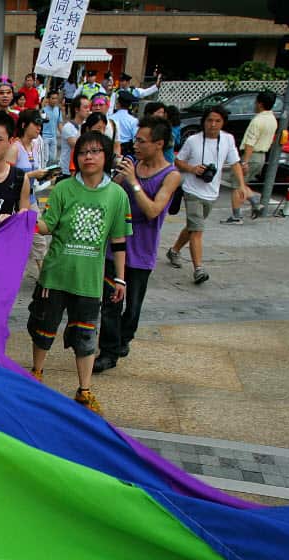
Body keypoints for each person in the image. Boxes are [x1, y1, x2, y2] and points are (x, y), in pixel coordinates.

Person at [27, 130, 130, 415]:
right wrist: (24, 221)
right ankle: (36, 375)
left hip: (89, 281)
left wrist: (120, 278)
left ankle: (84, 390)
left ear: (106, 156)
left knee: (86, 338)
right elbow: (47, 225)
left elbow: (119, 240)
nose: (88, 156)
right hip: (55, 275)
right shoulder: (63, 189)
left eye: (95, 151)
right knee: (42, 329)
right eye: (83, 152)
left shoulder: (117, 195)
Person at [94, 118, 181, 373]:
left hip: (142, 251)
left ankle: (124, 339)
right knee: (111, 303)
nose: (136, 145)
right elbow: (106, 195)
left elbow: (153, 210)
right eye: (136, 140)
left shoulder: (171, 175)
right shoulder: (131, 165)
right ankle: (108, 352)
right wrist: (118, 178)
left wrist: (133, 181)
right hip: (115, 247)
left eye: (142, 141)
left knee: (132, 308)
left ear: (159, 144)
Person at [166, 105, 246, 285]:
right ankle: (198, 269)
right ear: (204, 122)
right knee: (197, 230)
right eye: (210, 120)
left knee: (193, 227)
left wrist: (241, 185)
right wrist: (192, 169)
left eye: (218, 121)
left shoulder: (227, 140)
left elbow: (235, 163)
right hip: (192, 190)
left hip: (211, 192)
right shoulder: (193, 140)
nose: (213, 125)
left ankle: (174, 250)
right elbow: (178, 161)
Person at [223, 90, 277, 223]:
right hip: (261, 156)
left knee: (237, 185)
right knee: (242, 183)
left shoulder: (257, 121)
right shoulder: (273, 119)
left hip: (251, 156)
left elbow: (250, 143)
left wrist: (244, 162)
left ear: (260, 103)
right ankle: (254, 201)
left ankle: (237, 216)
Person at [58, 94, 90, 178]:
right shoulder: (68, 127)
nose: (88, 110)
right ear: (76, 109)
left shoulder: (86, 125)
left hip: (80, 169)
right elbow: (78, 146)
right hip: (67, 170)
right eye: (85, 107)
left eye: (89, 107)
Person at [110, 91, 140, 156]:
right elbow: (135, 138)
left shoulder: (110, 118)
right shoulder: (133, 120)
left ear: (118, 104)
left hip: (111, 149)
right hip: (126, 151)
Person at [41, 90, 63, 165]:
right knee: (45, 158)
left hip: (54, 137)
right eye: (52, 98)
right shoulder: (43, 110)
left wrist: (63, 135)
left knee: (53, 159)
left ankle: (50, 174)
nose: (54, 100)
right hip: (44, 137)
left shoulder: (58, 110)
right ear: (48, 99)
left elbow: (59, 124)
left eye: (56, 98)